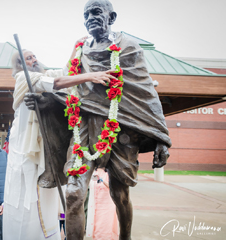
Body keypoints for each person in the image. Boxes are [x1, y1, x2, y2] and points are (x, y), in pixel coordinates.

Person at [25, 0, 172, 239]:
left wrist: (162, 139)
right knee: (73, 194)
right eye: (86, 14)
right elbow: (68, 84)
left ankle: (125, 236)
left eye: (96, 12)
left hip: (120, 131)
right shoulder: (80, 48)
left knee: (120, 194)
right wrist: (45, 102)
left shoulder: (129, 47)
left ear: (111, 17)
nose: (90, 18)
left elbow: (146, 93)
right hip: (82, 128)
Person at [3, 49, 117, 240]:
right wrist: (91, 76)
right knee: (26, 200)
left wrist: (76, 48)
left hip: (42, 150)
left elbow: (64, 72)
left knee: (45, 198)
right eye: (29, 58)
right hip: (24, 148)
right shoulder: (24, 77)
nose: (34, 59)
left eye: (34, 56)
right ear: (20, 65)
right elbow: (56, 83)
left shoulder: (42, 74)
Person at [86, 168, 118, 240]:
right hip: (96, 205)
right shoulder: (93, 172)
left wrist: (102, 180)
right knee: (96, 227)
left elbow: (113, 187)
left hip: (107, 205)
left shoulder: (109, 173)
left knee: (105, 226)